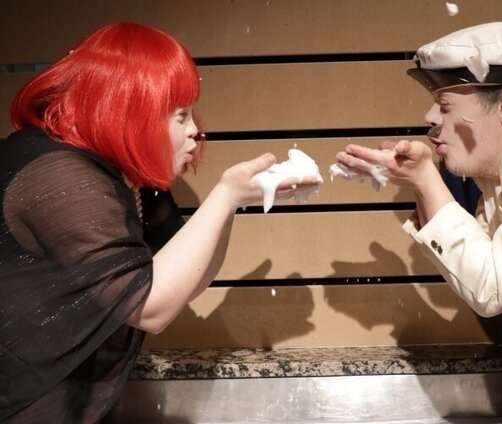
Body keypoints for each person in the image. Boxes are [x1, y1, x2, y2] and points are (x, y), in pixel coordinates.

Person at [0, 22, 319, 423]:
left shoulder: (124, 178)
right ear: (131, 112)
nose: (196, 130)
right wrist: (226, 195)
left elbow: (185, 284)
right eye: (181, 115)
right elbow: (150, 308)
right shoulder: (61, 175)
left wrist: (234, 201)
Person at [334, 22, 502, 423]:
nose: (429, 118)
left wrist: (426, 180)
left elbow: (491, 287)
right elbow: (499, 277)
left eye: (444, 106)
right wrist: (422, 184)